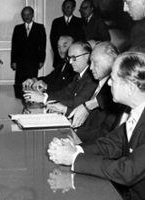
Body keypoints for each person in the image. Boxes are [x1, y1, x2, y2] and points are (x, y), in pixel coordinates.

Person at [48, 51, 145, 200]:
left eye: (113, 78)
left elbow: (128, 171)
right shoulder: (134, 111)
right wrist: (75, 149)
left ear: (130, 88)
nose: (109, 83)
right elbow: (111, 144)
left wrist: (74, 158)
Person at [69, 42, 125, 142]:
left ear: (110, 62)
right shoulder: (98, 85)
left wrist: (74, 131)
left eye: (95, 62)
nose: (90, 68)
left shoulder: (115, 94)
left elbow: (105, 133)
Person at [24, 41, 98, 116]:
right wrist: (44, 96)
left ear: (87, 56)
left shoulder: (92, 79)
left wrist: (43, 99)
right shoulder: (78, 75)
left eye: (74, 57)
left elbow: (75, 103)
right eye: (69, 58)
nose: (70, 62)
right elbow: (64, 93)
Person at [11, 6, 46, 99]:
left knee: (32, 83)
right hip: (20, 61)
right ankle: (19, 100)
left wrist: (41, 60)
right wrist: (13, 61)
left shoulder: (39, 28)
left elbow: (43, 46)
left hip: (33, 61)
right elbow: (14, 46)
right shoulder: (18, 28)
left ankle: (31, 100)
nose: (27, 17)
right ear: (22, 16)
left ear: (33, 15)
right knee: (19, 84)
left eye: (29, 14)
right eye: (25, 15)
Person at [50, 0, 85, 67]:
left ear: (73, 8)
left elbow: (80, 40)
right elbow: (53, 40)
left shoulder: (79, 22)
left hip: (74, 57)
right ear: (63, 8)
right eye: (65, 7)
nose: (67, 9)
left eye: (69, 7)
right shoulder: (56, 22)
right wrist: (60, 52)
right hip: (59, 58)